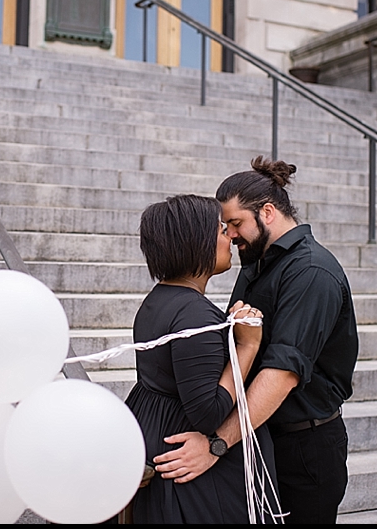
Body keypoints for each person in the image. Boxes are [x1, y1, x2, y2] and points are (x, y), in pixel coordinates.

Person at [152, 157, 358, 524]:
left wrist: (216, 444)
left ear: (267, 212)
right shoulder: (258, 262)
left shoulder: (311, 271)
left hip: (303, 450)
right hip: (258, 438)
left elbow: (281, 374)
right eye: (225, 226)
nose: (229, 235)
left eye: (235, 223)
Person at [122, 194, 270, 523]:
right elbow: (208, 412)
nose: (230, 236)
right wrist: (246, 346)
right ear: (197, 243)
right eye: (220, 230)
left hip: (155, 432)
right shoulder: (195, 314)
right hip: (185, 463)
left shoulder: (158, 298)